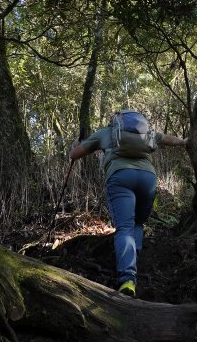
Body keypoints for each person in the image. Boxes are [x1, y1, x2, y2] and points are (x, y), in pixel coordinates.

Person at [69, 111, 188, 297]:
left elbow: (75, 155)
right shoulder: (145, 133)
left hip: (120, 176)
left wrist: (74, 147)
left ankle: (127, 279)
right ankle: (134, 261)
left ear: (115, 122)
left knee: (125, 227)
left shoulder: (105, 133)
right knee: (138, 223)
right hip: (148, 178)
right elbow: (167, 139)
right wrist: (184, 142)